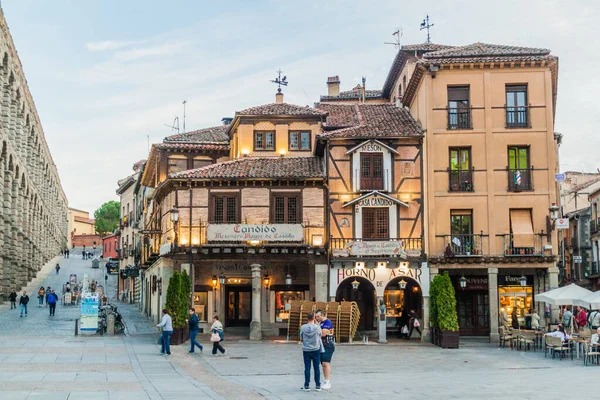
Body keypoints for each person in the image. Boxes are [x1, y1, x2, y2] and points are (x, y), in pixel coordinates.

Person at [300, 311, 322, 392]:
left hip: (306, 349)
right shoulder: (317, 327)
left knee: (307, 368)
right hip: (316, 349)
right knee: (316, 368)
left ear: (307, 318)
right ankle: (318, 385)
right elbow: (320, 336)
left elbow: (301, 336)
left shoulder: (303, 327)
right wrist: (317, 324)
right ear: (314, 318)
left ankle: (307, 385)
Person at [315, 310, 334, 390]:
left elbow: (323, 333)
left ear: (322, 315)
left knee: (326, 362)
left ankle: (328, 381)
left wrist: (317, 326)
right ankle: (325, 379)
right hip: (321, 345)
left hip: (328, 345)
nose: (317, 318)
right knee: (323, 363)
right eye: (316, 316)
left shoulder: (327, 323)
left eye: (318, 316)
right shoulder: (320, 323)